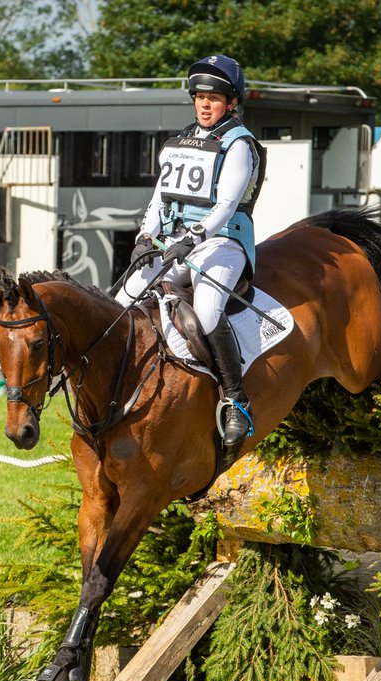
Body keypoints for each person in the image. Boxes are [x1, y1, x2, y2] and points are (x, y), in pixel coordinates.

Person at [116, 54, 265, 448]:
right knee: (122, 299)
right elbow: (158, 201)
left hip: (222, 241)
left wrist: (192, 238)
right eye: (199, 96)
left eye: (213, 97)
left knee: (209, 307)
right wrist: (144, 239)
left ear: (230, 102)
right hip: (172, 243)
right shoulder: (178, 144)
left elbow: (225, 207)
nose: (204, 103)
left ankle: (236, 400)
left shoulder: (239, 145)